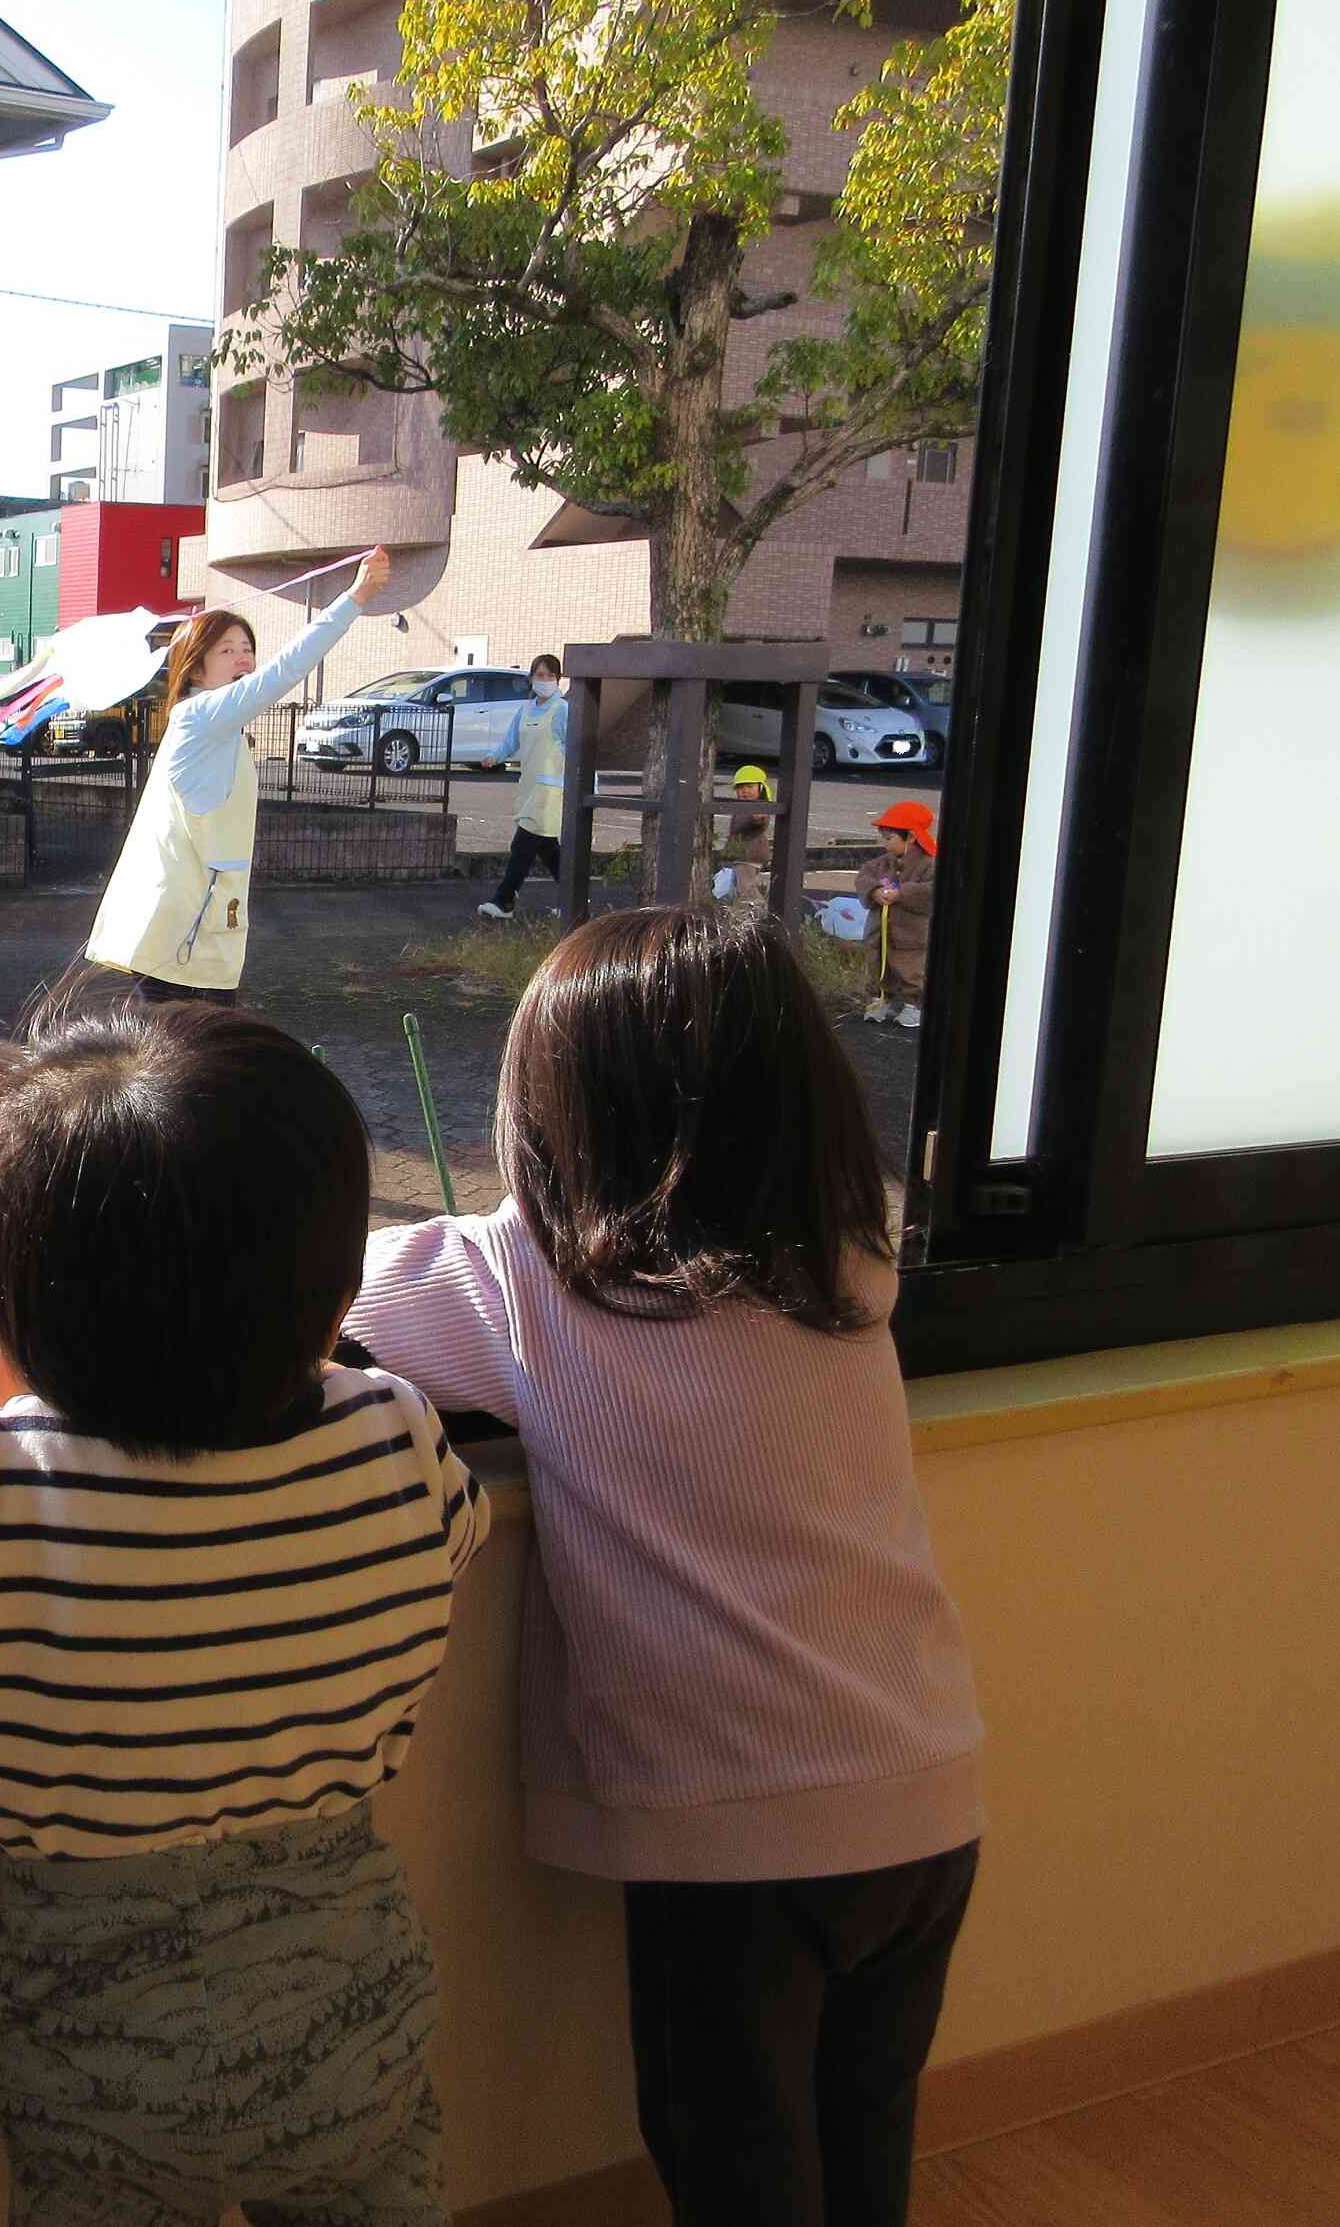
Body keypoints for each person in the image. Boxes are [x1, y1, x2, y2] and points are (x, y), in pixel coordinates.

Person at [341, 907, 983, 2227]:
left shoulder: (527, 1279)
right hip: (925, 1790)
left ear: (555, 1123)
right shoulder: (849, 1265)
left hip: (737, 1833)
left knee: (740, 2172)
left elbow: (307, 1290)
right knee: (863, 2149)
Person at [0, 1004, 490, 2227]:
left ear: (23, 1315)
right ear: (333, 1289)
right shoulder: (396, 1433)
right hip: (352, 1993)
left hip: (98, 2040)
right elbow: (457, 1531)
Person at [85, 545, 392, 1003]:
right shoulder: (201, 715)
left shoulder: (212, 725)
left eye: (247, 650)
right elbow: (284, 672)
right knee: (194, 1058)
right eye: (226, 650)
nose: (243, 660)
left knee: (192, 1056)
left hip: (190, 926)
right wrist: (355, 597)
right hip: (185, 932)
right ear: (196, 664)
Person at [474, 653, 571, 920]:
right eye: (540, 675)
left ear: (558, 680)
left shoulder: (562, 710)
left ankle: (504, 901)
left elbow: (577, 749)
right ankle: (575, 900)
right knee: (548, 849)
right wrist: (494, 756)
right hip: (529, 787)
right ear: (531, 678)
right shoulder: (526, 709)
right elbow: (511, 741)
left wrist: (589, 784)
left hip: (551, 791)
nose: (545, 680)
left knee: (522, 845)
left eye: (551, 676)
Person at [856, 799, 940, 1029]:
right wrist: (874, 891)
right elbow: (864, 876)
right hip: (880, 932)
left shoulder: (929, 864)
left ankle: (913, 1005)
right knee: (878, 964)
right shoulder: (884, 862)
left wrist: (901, 893)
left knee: (910, 969)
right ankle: (881, 999)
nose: (885, 845)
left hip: (910, 934)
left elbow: (933, 891)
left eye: (889, 839)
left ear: (911, 837)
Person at [715, 765, 776, 902]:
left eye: (749, 787)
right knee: (739, 886)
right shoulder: (742, 806)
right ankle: (749, 905)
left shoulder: (758, 807)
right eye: (740, 788)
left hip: (749, 856)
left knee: (746, 887)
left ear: (760, 788)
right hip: (740, 856)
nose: (745, 791)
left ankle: (755, 910)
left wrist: (757, 818)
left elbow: (760, 821)